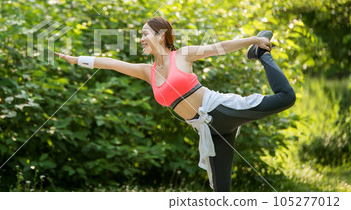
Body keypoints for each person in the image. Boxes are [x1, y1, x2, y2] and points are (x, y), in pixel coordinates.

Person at [54, 16, 296, 191]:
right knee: (222, 191)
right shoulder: (147, 71)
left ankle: (262, 55)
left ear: (161, 35)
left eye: (145, 33)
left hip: (218, 110)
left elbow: (219, 48)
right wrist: (78, 60)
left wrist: (253, 40)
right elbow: (112, 63)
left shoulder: (182, 55)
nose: (141, 39)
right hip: (207, 129)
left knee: (286, 97)